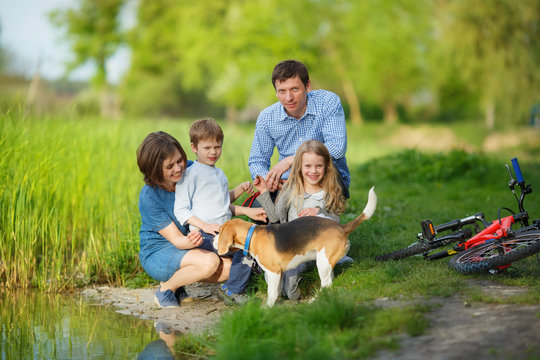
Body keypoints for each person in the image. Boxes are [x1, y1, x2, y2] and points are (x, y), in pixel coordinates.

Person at [174, 118, 267, 305]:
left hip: (223, 230)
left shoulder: (219, 173)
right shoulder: (190, 174)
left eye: (217, 147)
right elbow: (181, 209)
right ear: (194, 147)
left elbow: (221, 204)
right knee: (246, 251)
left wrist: (240, 190)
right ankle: (231, 290)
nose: (213, 152)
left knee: (253, 249)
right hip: (204, 234)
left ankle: (241, 286)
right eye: (207, 148)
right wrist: (205, 226)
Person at [137, 131, 231, 308]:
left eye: (179, 160)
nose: (178, 168)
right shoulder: (149, 196)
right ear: (154, 169)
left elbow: (215, 203)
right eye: (169, 166)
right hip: (160, 250)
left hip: (193, 241)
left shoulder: (193, 170)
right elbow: (178, 241)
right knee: (210, 262)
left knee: (231, 268)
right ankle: (166, 289)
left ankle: (179, 283)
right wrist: (191, 240)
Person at [253, 139, 348, 300]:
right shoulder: (291, 190)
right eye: (308, 166)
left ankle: (327, 274)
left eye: (319, 166)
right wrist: (263, 192)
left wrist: (320, 211)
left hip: (317, 248)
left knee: (292, 292)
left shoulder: (329, 191)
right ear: (299, 167)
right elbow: (275, 218)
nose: (313, 171)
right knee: (286, 290)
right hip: (291, 249)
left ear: (326, 167)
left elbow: (336, 224)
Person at [248, 59, 351, 198]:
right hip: (286, 184)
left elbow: (337, 148)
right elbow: (257, 161)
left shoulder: (328, 102)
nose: (288, 97)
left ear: (307, 86)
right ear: (276, 92)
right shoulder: (267, 118)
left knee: (310, 218)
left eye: (294, 89)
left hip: (326, 179)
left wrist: (292, 159)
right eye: (282, 91)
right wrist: (269, 179)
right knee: (260, 212)